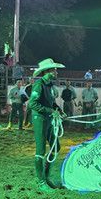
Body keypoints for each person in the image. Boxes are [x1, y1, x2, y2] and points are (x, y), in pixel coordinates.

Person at [29, 57, 66, 191]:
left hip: (48, 119)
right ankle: (41, 182)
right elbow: (32, 104)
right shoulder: (39, 85)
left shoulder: (49, 85)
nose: (56, 72)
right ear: (47, 71)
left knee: (56, 147)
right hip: (40, 119)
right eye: (54, 70)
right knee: (40, 151)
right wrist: (51, 111)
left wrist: (59, 110)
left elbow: (51, 102)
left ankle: (45, 175)